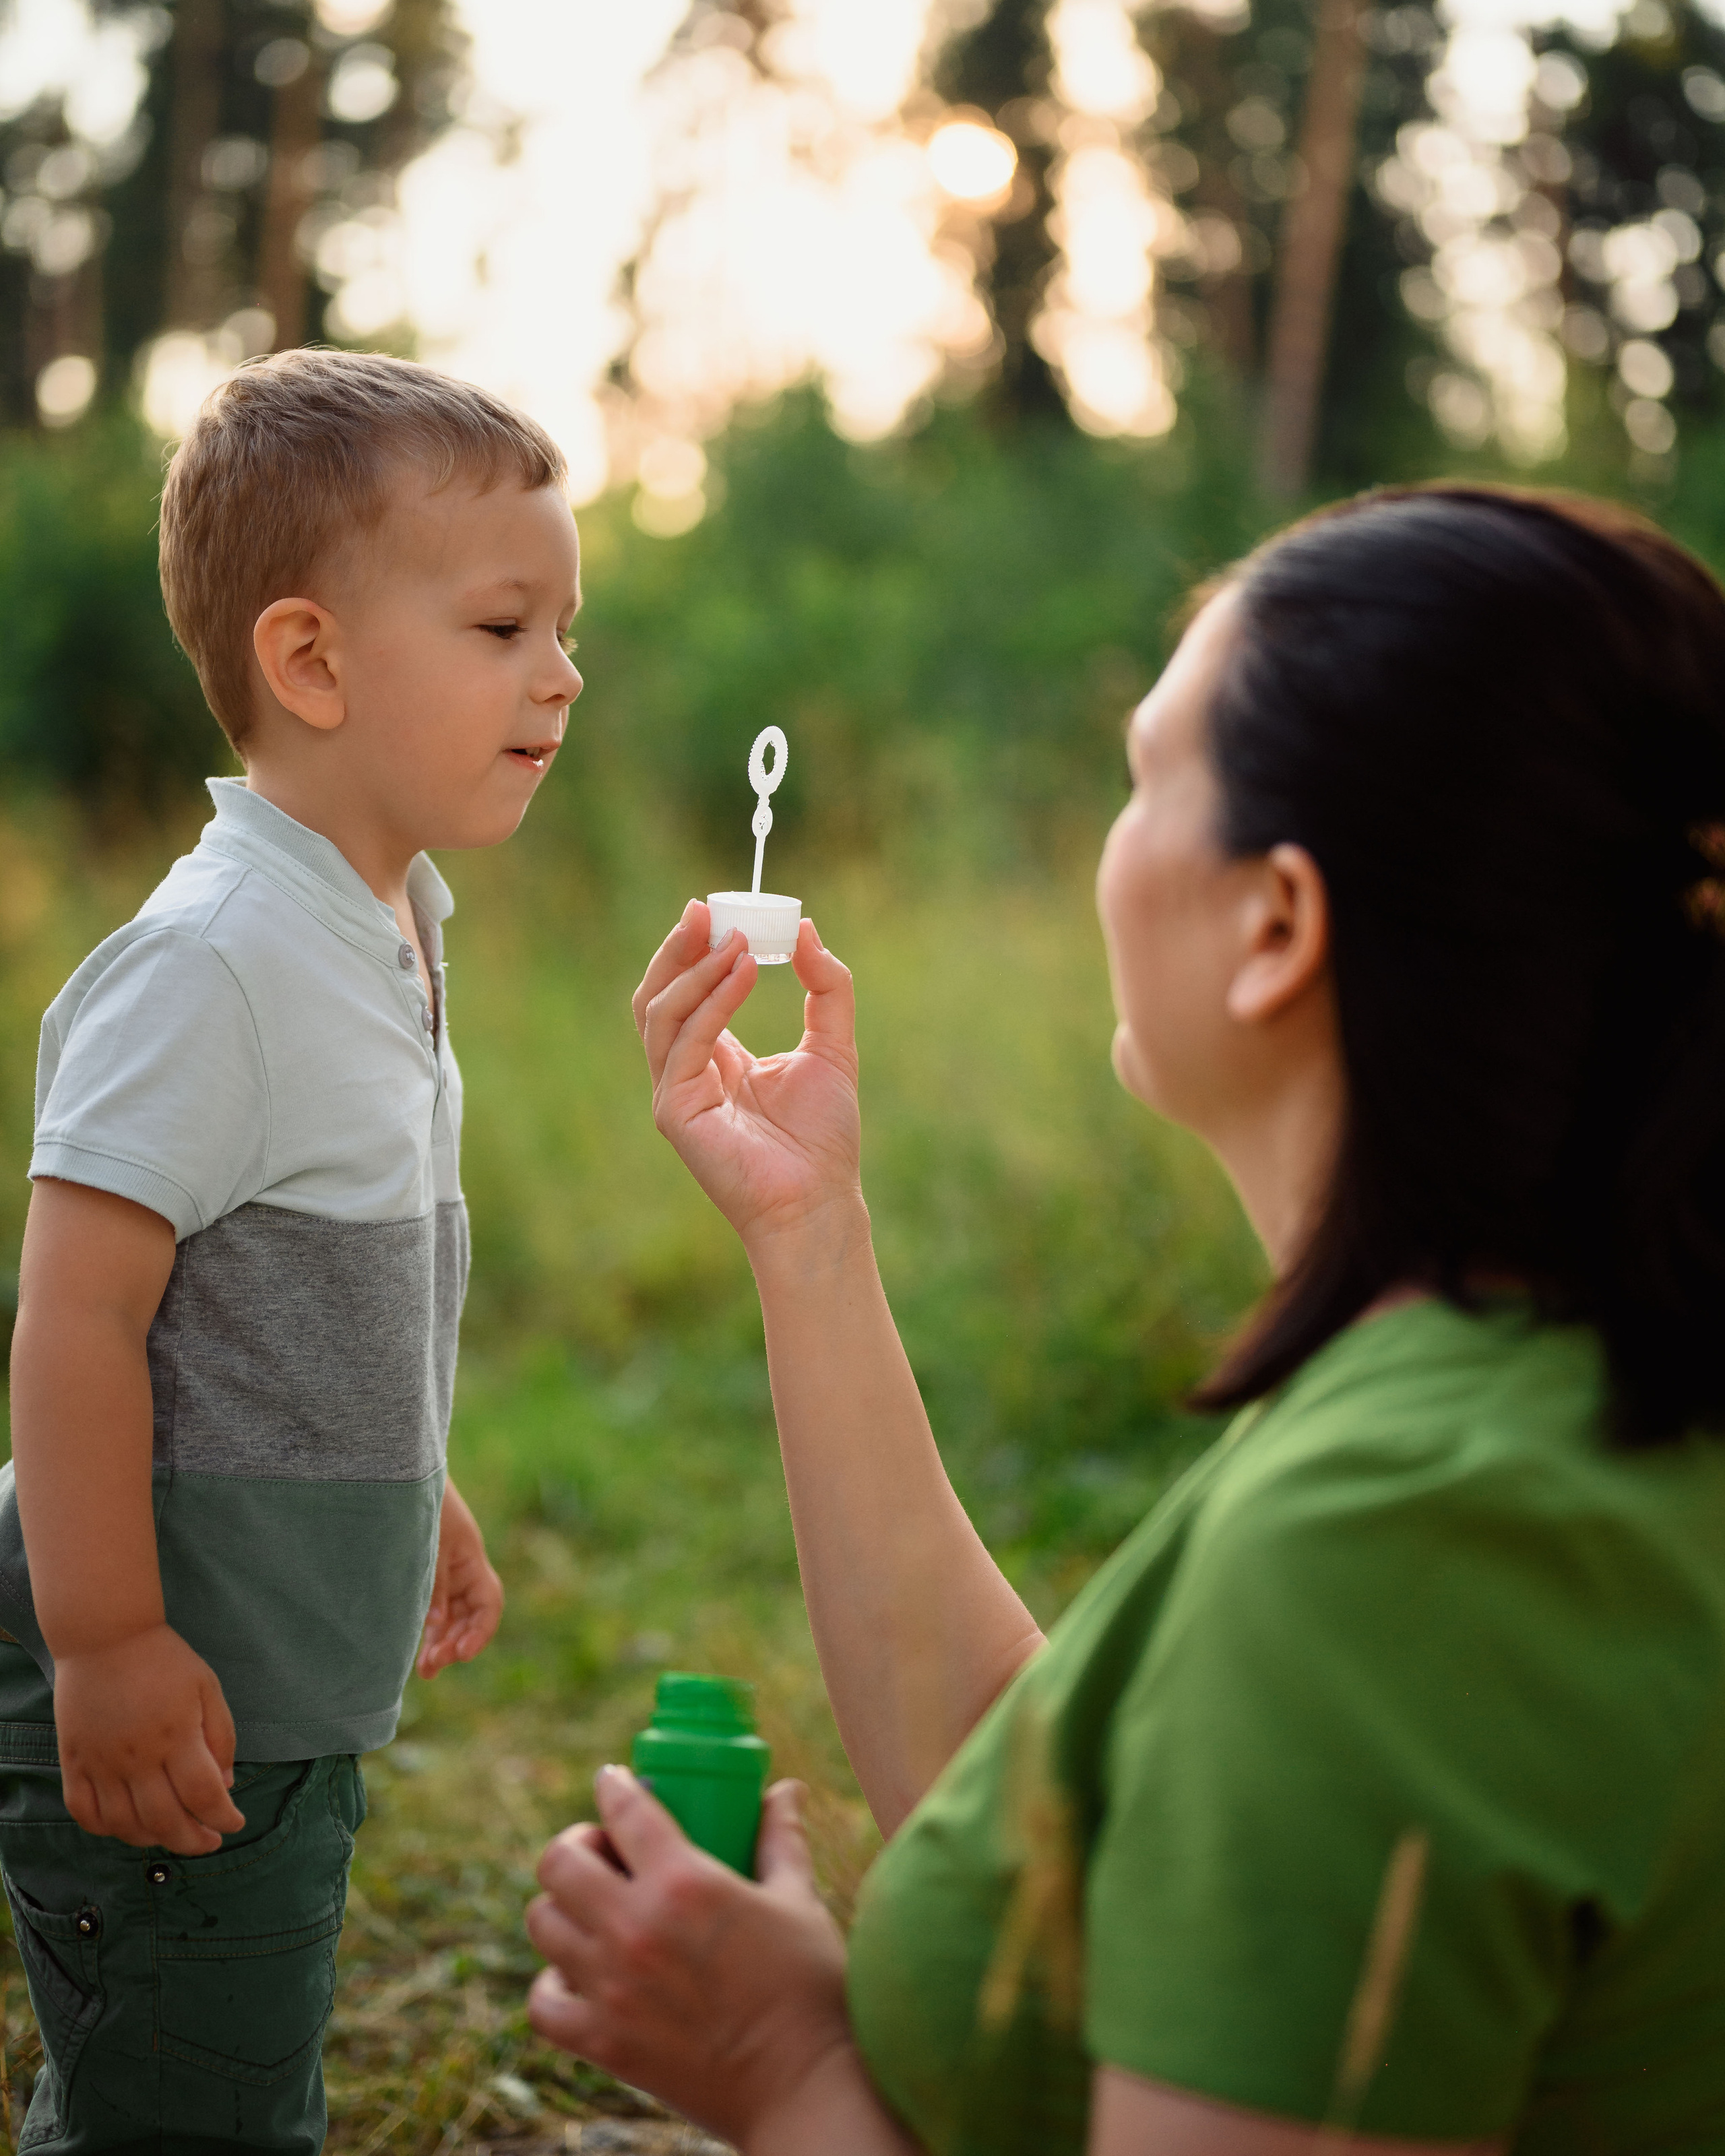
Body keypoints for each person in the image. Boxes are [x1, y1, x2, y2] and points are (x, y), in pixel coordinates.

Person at [526, 485, 1725, 2155]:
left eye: (1145, 775)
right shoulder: (1509, 1392)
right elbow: (1055, 1820)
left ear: (1275, 926)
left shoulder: (1412, 1542)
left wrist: (783, 2071)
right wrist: (808, 1237)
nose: (1109, 837)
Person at [1, 348, 582, 2151]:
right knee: (191, 2113)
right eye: (504, 626)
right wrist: (106, 1644)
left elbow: (319, 1276)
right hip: (174, 1697)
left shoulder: (389, 917)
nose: (561, 675)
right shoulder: (217, 964)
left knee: (199, 2072)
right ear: (310, 660)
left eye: (569, 629)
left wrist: (418, 1480)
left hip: (274, 1684)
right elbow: (80, 1319)